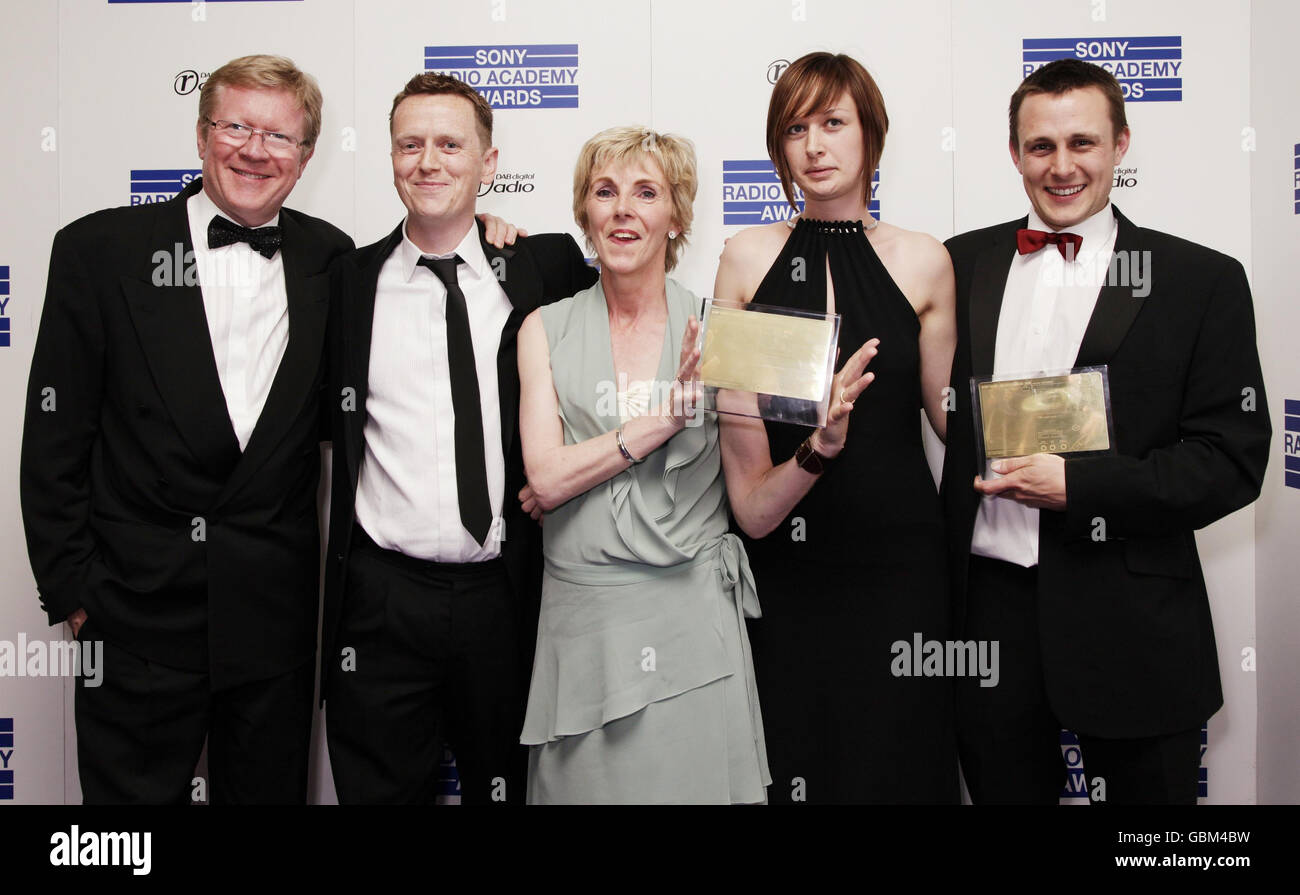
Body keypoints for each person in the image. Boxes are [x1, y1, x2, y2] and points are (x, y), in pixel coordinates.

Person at [20, 55, 353, 804]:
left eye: (279, 136)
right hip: (133, 617)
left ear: (305, 156)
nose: (255, 149)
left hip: (273, 629)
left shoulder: (331, 260)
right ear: (201, 136)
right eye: (235, 126)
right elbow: (54, 437)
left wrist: (497, 238)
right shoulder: (98, 252)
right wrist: (75, 593)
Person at [941, 58, 1270, 804]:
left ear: (1122, 143)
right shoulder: (957, 264)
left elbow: (1231, 459)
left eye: (1083, 143)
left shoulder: (1200, 280)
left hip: (1133, 619)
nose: (1062, 167)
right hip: (988, 615)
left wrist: (1079, 484)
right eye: (1040, 147)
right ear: (1015, 153)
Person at [516, 125, 874, 804]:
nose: (624, 209)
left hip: (691, 631)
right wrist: (664, 420)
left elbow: (757, 513)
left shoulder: (720, 333)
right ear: (585, 212)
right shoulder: (544, 328)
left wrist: (817, 449)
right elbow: (547, 478)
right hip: (582, 634)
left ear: (675, 215)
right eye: (605, 191)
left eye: (646, 192)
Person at [320, 72, 597, 804]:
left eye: (450, 144)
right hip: (381, 601)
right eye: (410, 144)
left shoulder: (546, 267)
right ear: (389, 157)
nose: (428, 162)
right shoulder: (346, 282)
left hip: (506, 594)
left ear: (489, 162)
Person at [713, 51, 959, 804]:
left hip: (904, 573)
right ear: (778, 148)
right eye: (795, 128)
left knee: (898, 770)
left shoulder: (924, 261)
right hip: (787, 573)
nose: (814, 144)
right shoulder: (745, 258)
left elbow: (953, 418)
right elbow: (746, 477)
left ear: (870, 136)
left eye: (833, 122)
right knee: (795, 764)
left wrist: (1066, 424)